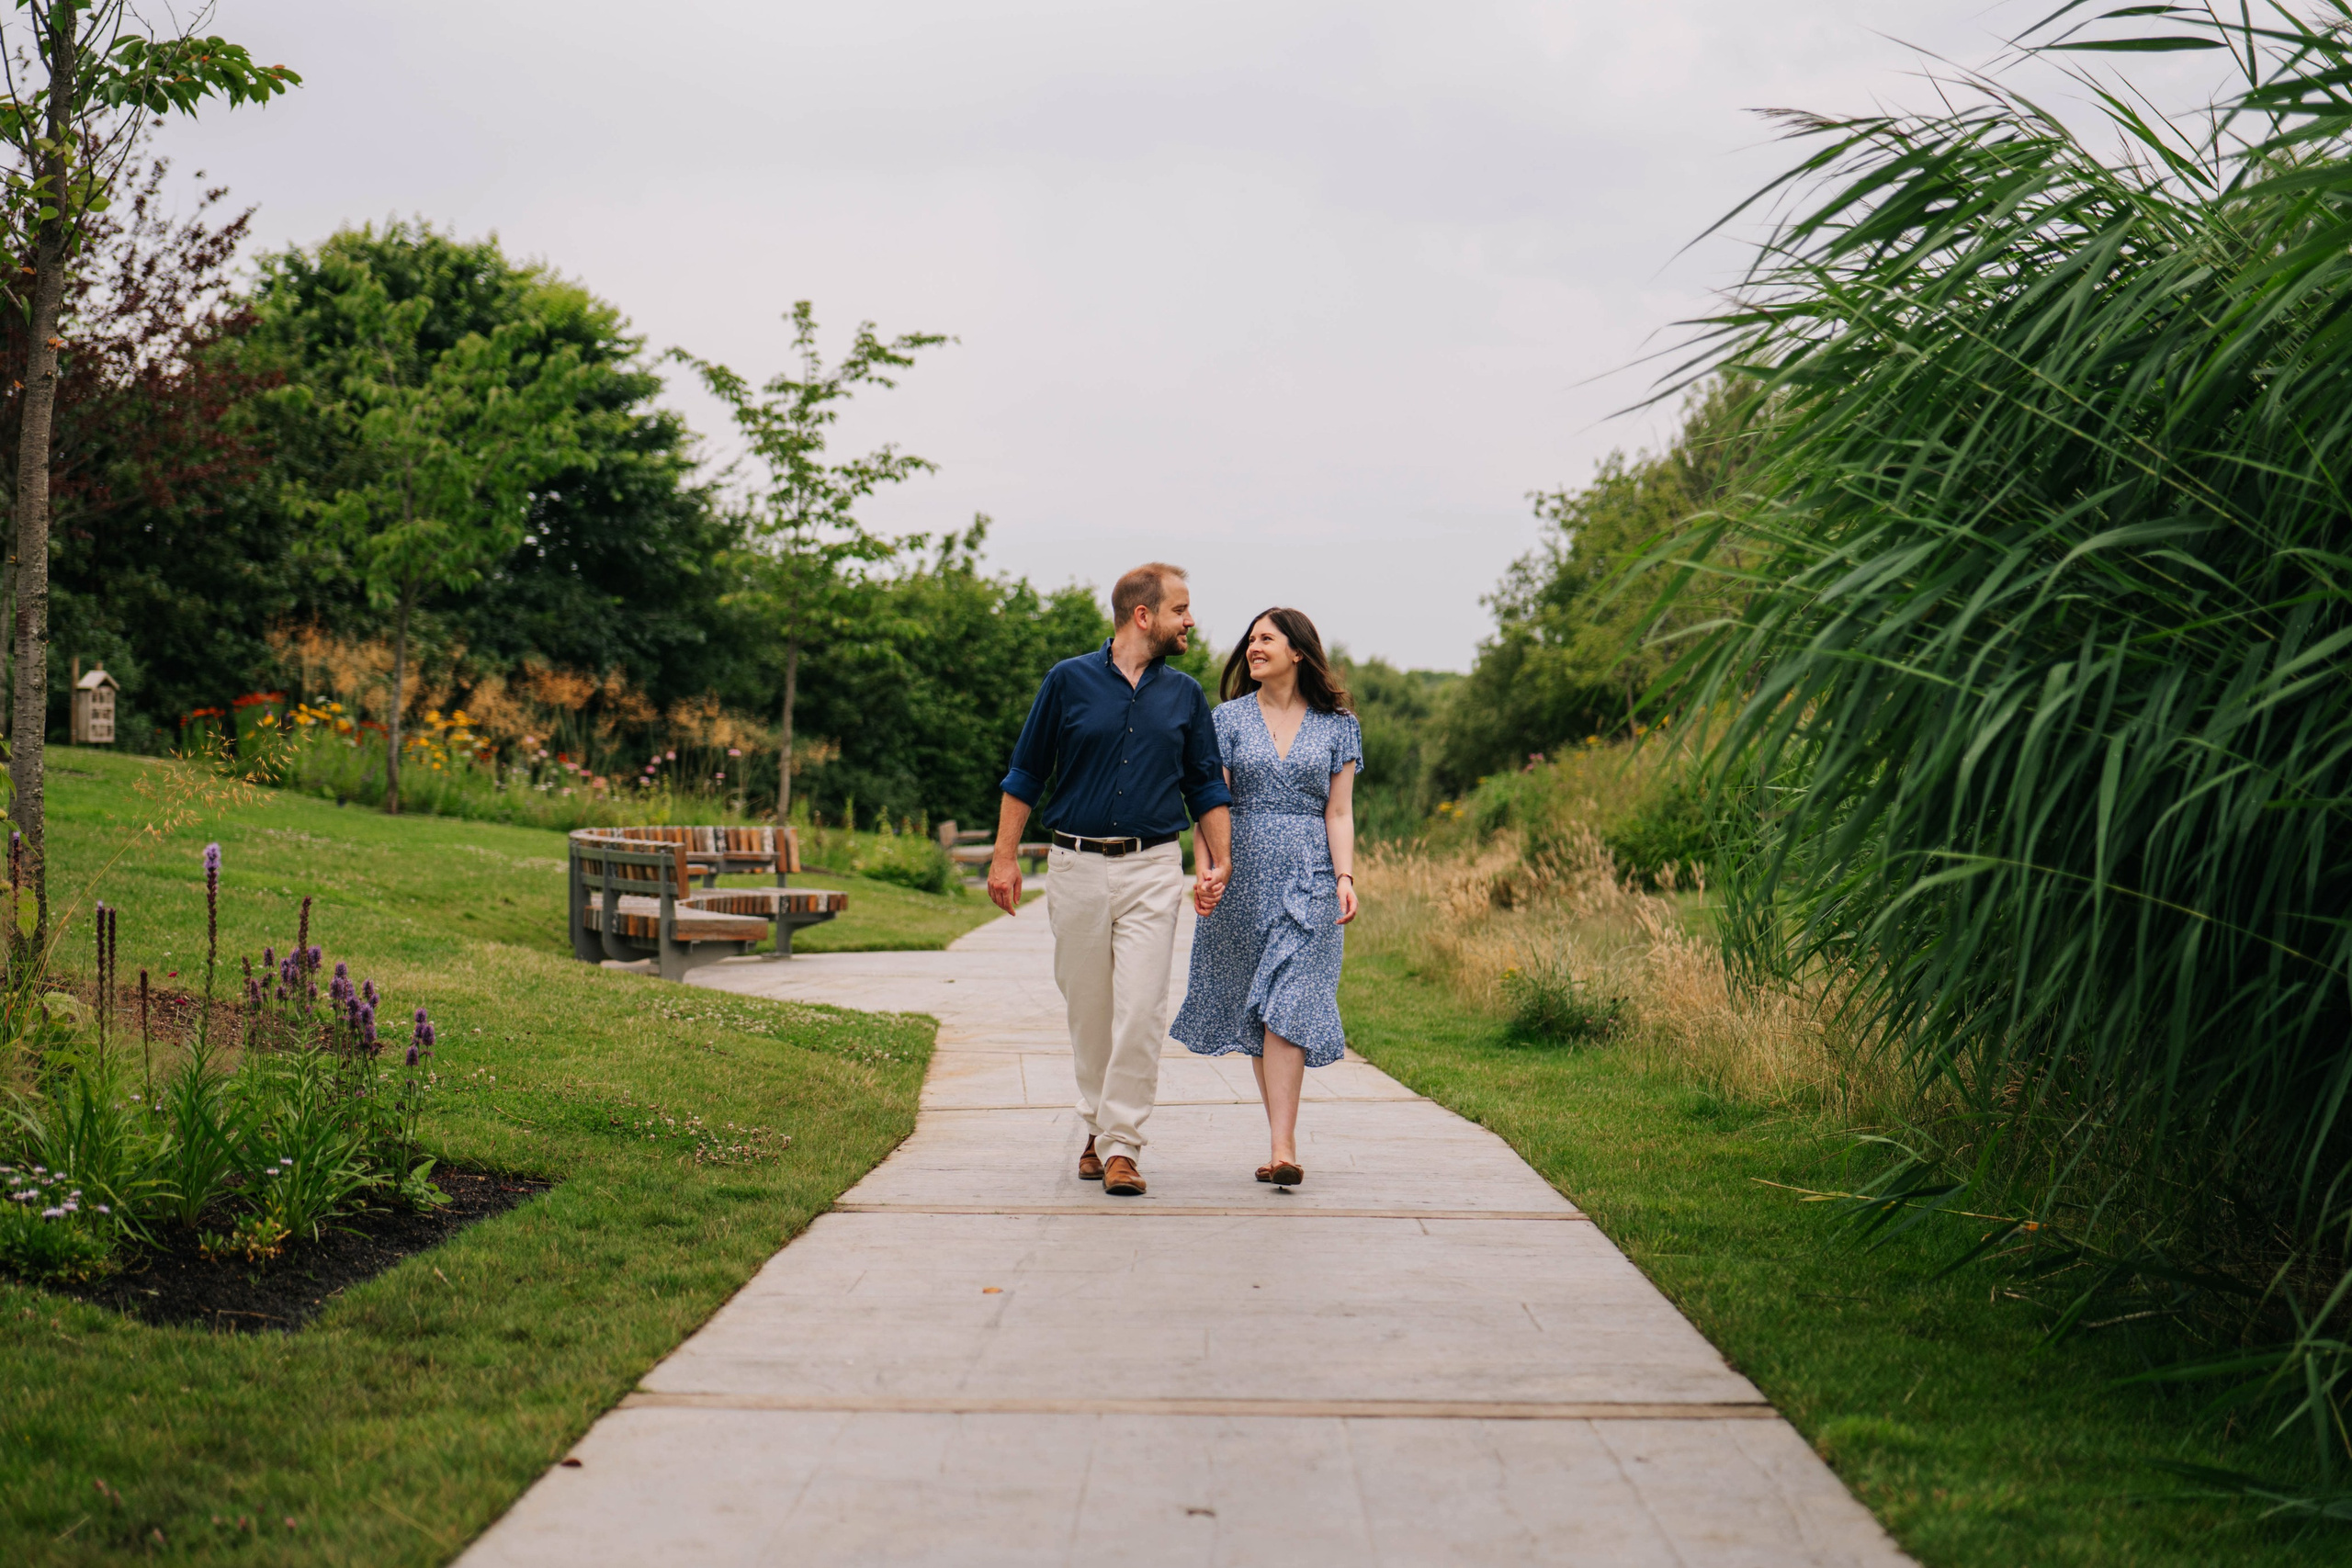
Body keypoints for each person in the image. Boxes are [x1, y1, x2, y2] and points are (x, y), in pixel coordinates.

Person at [989, 563, 1234, 1197]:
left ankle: (1123, 1143)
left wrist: (1218, 860)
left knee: (1142, 1007)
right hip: (1074, 867)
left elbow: (1205, 783)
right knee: (1090, 1010)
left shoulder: (1184, 695)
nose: (1191, 620)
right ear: (1143, 615)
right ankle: (1096, 1127)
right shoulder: (1066, 682)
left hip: (1153, 866)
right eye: (1181, 608)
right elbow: (1026, 772)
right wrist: (1004, 858)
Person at [1170, 607, 1360, 1186]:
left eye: (1266, 639)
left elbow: (1340, 810)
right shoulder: (1226, 720)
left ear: (1297, 652)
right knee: (1261, 1007)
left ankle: (1283, 1149)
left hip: (1311, 881)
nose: (1253, 648)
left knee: (1290, 1004)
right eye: (1250, 640)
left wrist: (1345, 878)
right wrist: (1205, 872)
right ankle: (1279, 1142)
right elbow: (1208, 805)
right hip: (1243, 877)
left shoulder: (1338, 725)